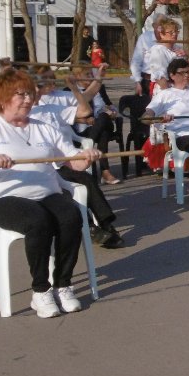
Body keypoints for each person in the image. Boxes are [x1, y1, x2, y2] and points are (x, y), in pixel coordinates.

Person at [0, 69, 102, 317]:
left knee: (71, 217)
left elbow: (71, 161)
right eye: (20, 94)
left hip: (47, 193)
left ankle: (63, 285)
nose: (28, 100)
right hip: (2, 199)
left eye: (30, 94)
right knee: (37, 221)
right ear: (2, 99)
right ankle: (41, 291)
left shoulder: (43, 127)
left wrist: (86, 157)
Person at [30, 67, 126, 248]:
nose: (48, 85)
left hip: (62, 160)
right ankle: (90, 227)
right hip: (43, 168)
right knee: (68, 190)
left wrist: (77, 86)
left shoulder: (53, 106)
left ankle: (105, 225)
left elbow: (86, 106)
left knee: (86, 179)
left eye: (51, 80)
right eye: (42, 82)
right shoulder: (22, 113)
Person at [142, 56, 189, 202]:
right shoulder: (165, 95)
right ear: (172, 75)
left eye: (188, 72)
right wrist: (160, 119)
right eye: (182, 73)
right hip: (183, 136)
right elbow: (147, 116)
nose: (186, 75)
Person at [130, 13, 168, 97]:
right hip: (147, 80)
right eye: (160, 24)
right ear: (154, 25)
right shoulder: (145, 38)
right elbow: (136, 61)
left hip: (164, 81)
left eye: (165, 24)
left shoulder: (168, 38)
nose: (162, 27)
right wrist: (137, 81)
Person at [146, 18, 181, 93]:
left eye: (176, 31)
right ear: (162, 35)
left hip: (179, 89)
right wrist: (168, 93)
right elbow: (160, 77)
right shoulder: (158, 50)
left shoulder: (178, 48)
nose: (174, 34)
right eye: (171, 32)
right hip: (164, 90)